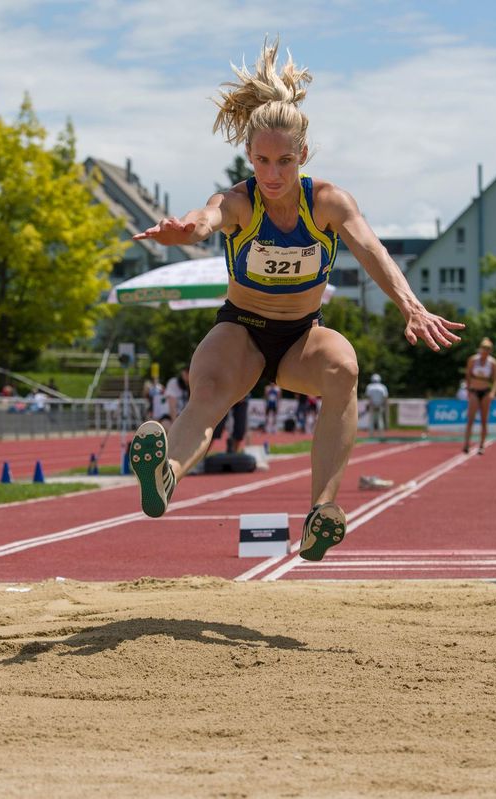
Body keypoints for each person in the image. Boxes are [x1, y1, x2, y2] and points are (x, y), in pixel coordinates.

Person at [126, 39, 462, 561]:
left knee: (344, 367)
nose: (273, 174)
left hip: (301, 336)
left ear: (302, 156)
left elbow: (371, 249)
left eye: (284, 161)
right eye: (262, 160)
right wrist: (184, 230)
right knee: (208, 391)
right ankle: (165, 475)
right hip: (241, 331)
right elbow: (205, 218)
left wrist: (410, 305)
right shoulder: (240, 202)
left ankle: (318, 515)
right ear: (248, 156)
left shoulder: (326, 202)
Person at [463, 338, 496, 455]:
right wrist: (468, 389)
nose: (485, 351)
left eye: (488, 349)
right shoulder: (473, 360)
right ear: (480, 348)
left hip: (485, 392)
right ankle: (466, 444)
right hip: (474, 390)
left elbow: (495, 380)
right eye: (484, 348)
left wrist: (493, 392)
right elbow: (468, 375)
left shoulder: (493, 363)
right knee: (471, 419)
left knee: (484, 420)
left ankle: (482, 445)